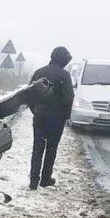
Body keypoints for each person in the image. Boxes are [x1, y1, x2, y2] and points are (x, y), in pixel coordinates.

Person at [28, 46, 74, 190]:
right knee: (51, 148)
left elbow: (29, 94)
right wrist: (66, 116)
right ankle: (46, 179)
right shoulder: (64, 75)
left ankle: (33, 181)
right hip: (57, 118)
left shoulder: (39, 72)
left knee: (37, 147)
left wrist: (35, 110)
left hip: (40, 115)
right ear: (63, 60)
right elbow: (68, 98)